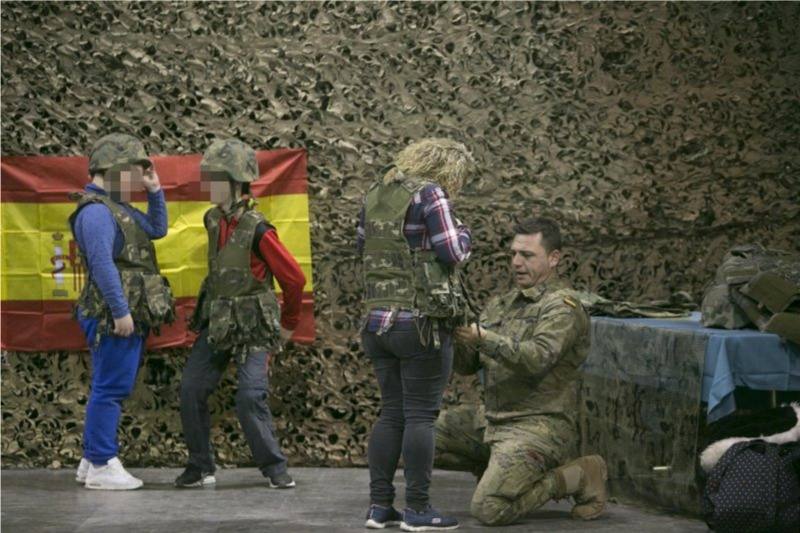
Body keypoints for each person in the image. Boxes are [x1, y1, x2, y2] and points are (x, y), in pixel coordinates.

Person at [435, 217, 608, 526]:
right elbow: (466, 366)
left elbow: (538, 357)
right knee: (418, 437)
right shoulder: (502, 304)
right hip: (494, 419)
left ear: (554, 258)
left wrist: (484, 339)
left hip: (540, 425)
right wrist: (454, 332)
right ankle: (500, 471)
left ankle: (577, 475)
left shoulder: (563, 307)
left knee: (489, 509)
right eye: (513, 254)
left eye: (527, 255)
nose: (516, 263)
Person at [358, 138, 474, 531]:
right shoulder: (430, 194)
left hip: (376, 322)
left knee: (391, 413)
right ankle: (419, 510)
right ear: (447, 169)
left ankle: (379, 508)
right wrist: (464, 233)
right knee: (421, 416)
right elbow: (452, 253)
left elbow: (362, 247)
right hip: (420, 323)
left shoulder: (375, 194)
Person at [176, 139, 305, 490]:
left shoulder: (259, 229)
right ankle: (200, 465)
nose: (208, 186)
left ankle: (274, 467)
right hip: (219, 321)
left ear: (236, 182)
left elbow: (294, 280)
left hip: (254, 326)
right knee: (191, 387)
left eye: (215, 179)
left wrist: (289, 325)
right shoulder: (212, 220)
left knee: (250, 395)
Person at [70, 133, 175, 490]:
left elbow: (157, 229)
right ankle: (102, 463)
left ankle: (90, 459)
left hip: (115, 310)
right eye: (133, 172)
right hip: (110, 313)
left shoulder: (117, 207)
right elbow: (102, 265)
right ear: (111, 170)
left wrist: (154, 190)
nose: (136, 179)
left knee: (105, 384)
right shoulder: (97, 212)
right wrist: (120, 311)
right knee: (113, 387)